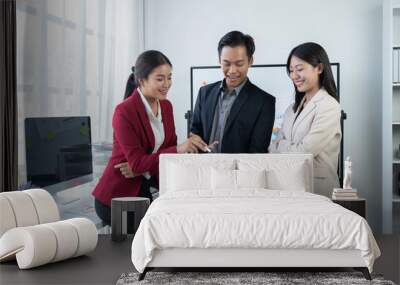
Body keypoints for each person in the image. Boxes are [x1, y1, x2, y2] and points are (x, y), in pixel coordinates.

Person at [92, 50, 208, 227]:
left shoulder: (166, 106)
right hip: (117, 198)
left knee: (179, 223)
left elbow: (164, 155)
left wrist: (195, 151)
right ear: (141, 81)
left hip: (144, 189)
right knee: (151, 234)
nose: (167, 84)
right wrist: (177, 149)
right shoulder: (124, 112)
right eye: (160, 79)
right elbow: (139, 162)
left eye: (169, 77)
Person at [269, 42, 341, 197]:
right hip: (289, 186)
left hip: (318, 189)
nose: (294, 76)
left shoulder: (329, 106)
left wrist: (282, 144)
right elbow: (272, 147)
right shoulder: (291, 109)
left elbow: (304, 151)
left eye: (299, 69)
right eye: (291, 71)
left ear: (319, 68)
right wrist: (285, 145)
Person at [190, 31, 275, 153]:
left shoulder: (264, 102)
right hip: (204, 169)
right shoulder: (204, 93)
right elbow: (195, 131)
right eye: (226, 63)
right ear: (220, 60)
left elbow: (257, 151)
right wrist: (196, 141)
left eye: (239, 64)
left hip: (240, 170)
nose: (232, 70)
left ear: (250, 61)